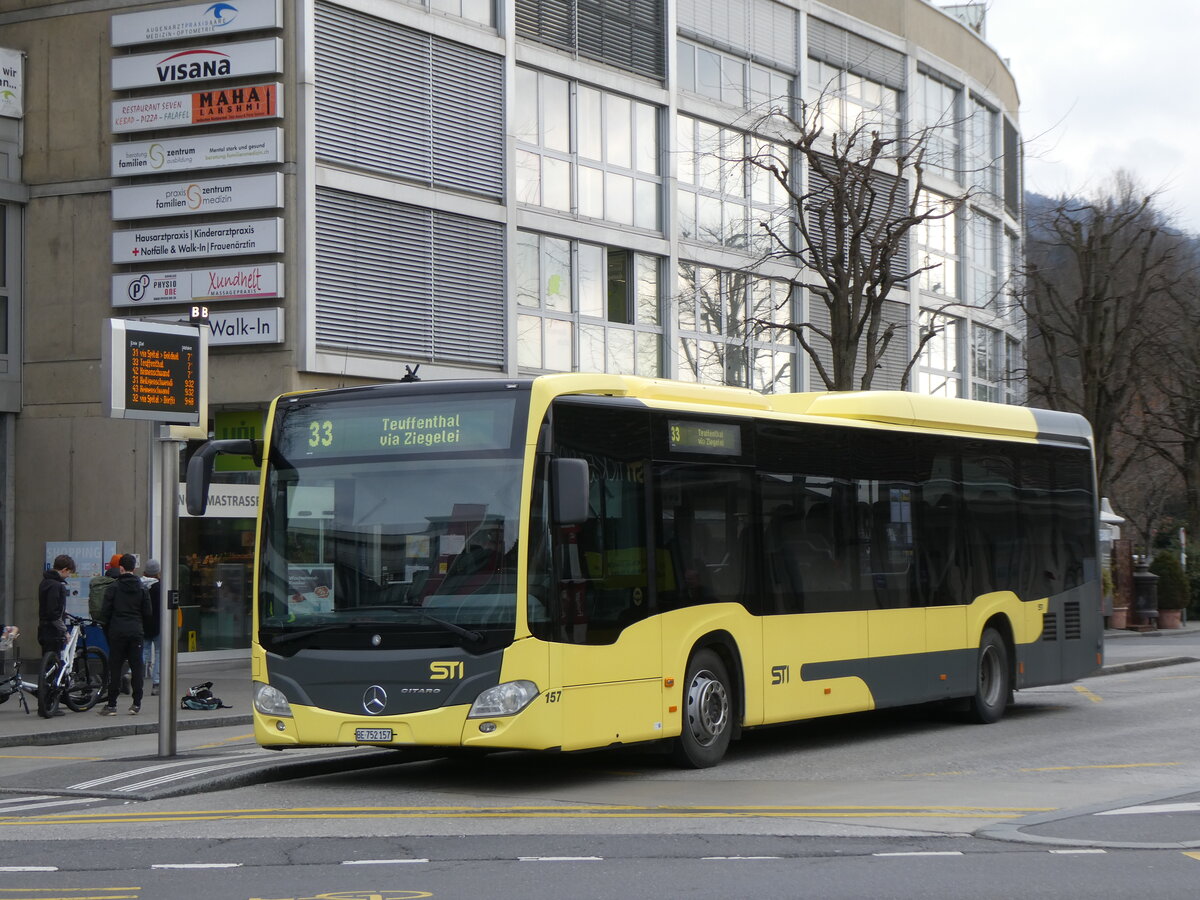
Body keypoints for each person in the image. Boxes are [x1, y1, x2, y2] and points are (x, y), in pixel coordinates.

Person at [97, 553, 152, 716]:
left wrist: (108, 628)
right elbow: (148, 612)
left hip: (117, 631)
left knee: (115, 667)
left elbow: (105, 612)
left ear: (120, 568)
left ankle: (112, 704)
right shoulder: (142, 588)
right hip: (135, 631)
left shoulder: (113, 587)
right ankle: (136, 703)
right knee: (136, 666)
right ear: (134, 568)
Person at [37, 554, 75, 718]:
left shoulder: (44, 582)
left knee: (47, 667)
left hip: (43, 629)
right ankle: (50, 704)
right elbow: (54, 613)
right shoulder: (57, 586)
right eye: (69, 573)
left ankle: (45, 703)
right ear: (65, 569)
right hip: (53, 630)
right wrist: (64, 631)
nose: (69, 576)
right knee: (54, 669)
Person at [141, 559, 162, 696]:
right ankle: (156, 682)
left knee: (143, 652)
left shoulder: (139, 586)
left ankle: (133, 675)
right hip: (158, 624)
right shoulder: (160, 587)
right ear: (158, 573)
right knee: (159, 653)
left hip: (142, 624)